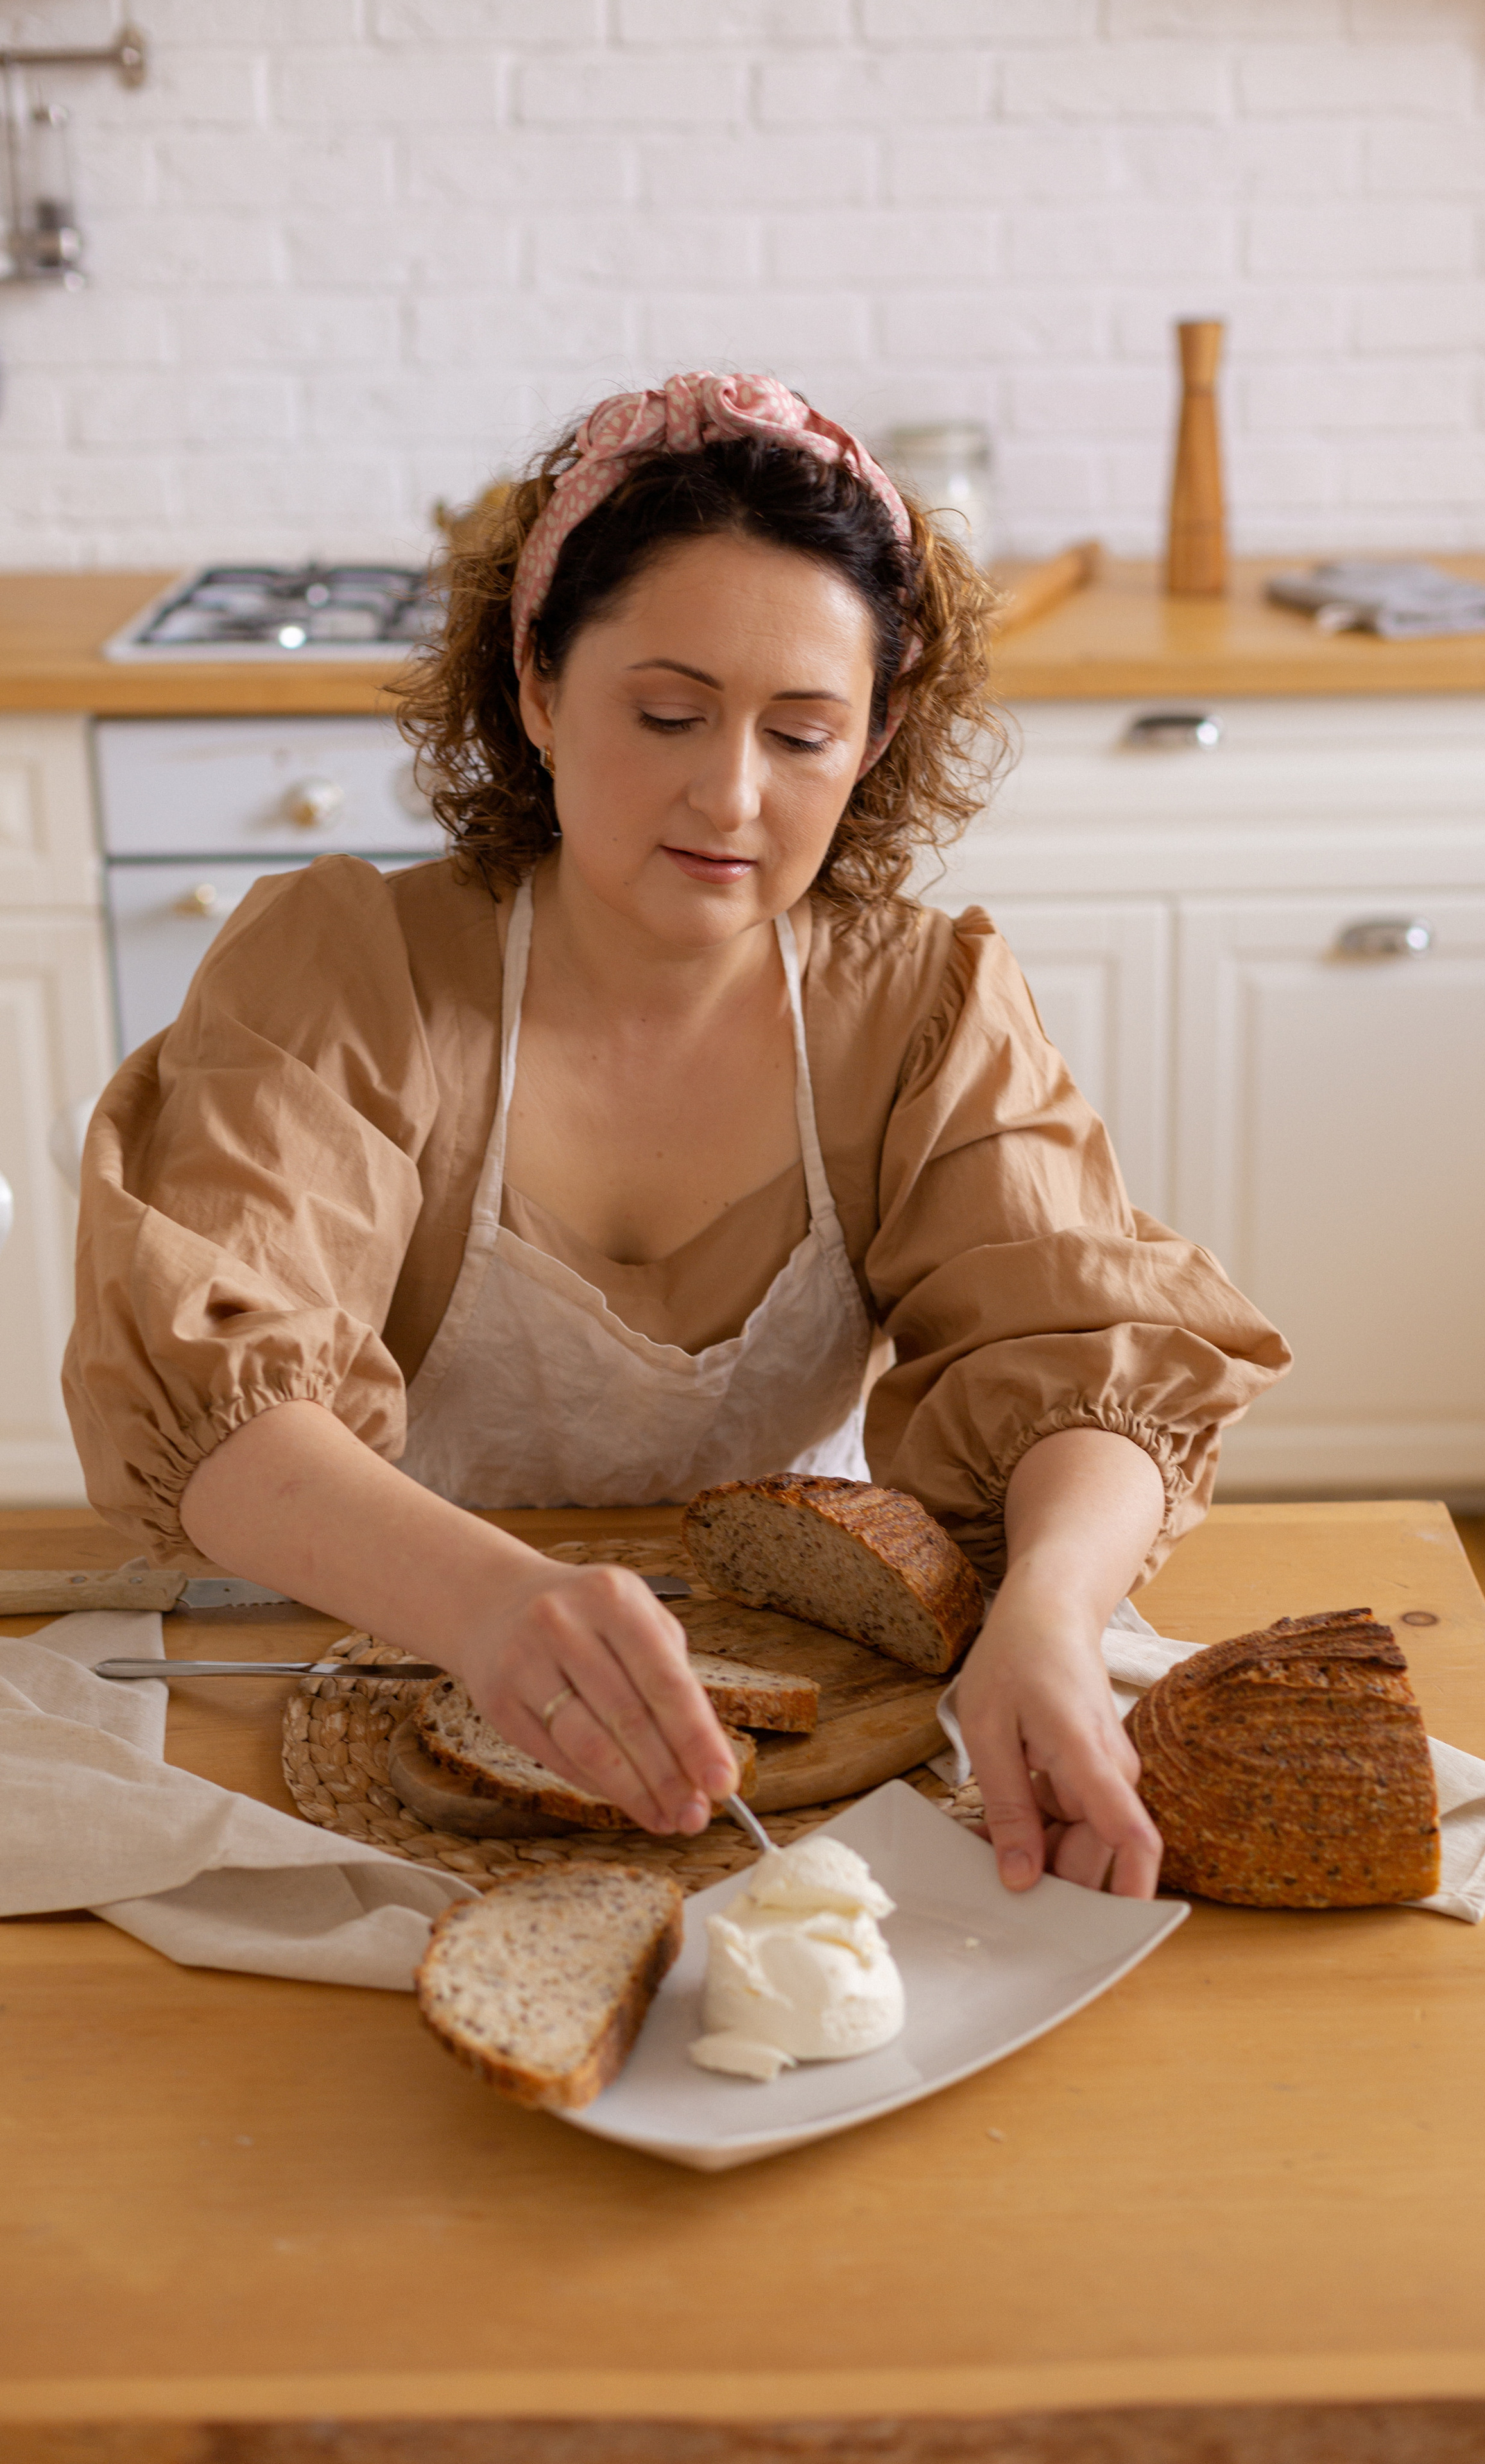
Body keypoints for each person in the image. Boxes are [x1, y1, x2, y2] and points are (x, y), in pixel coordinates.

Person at [64, 372, 1289, 1899]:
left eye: (801, 734)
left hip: (805, 1701)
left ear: (876, 736)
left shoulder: (924, 1005)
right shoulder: (347, 976)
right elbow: (209, 1415)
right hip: (373, 1647)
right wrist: (496, 1607)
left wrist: (1044, 1610)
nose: (728, 794)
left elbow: (1085, 1356)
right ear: (534, 683)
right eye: (665, 713)